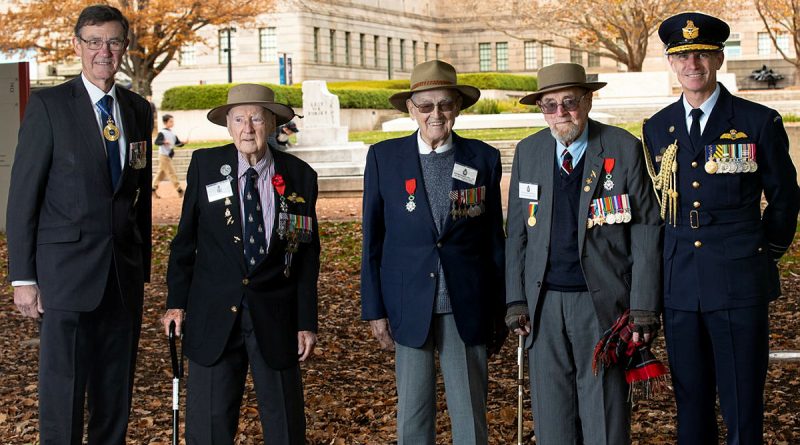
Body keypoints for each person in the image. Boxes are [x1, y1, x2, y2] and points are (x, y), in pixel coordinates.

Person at [643, 12, 800, 444]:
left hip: (738, 280)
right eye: (682, 56)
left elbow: (785, 198)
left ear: (719, 59)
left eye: (703, 54)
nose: (692, 64)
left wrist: (762, 252)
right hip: (679, 283)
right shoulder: (657, 128)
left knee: (741, 401)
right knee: (690, 402)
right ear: (671, 63)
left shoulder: (756, 121)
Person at [5, 5, 152, 444]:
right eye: (93, 41)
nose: (103, 51)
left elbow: (137, 196)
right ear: (77, 46)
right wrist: (23, 278)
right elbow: (23, 197)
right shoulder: (50, 106)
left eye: (113, 41)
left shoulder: (138, 109)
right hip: (64, 277)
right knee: (64, 390)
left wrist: (141, 266)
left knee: (114, 393)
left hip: (122, 278)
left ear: (124, 47)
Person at [504, 62, 662, 444]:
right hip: (543, 306)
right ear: (542, 109)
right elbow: (516, 235)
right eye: (550, 105)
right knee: (551, 417)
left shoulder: (622, 149)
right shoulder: (529, 152)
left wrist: (643, 306)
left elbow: (646, 230)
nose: (561, 113)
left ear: (587, 101)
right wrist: (515, 300)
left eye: (570, 102)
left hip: (602, 305)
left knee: (604, 417)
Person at [162, 83, 319, 445]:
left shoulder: (300, 177)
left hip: (276, 317)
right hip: (213, 315)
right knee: (208, 429)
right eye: (239, 119)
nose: (248, 128)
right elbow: (185, 243)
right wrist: (176, 303)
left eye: (256, 119)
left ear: (273, 124)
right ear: (229, 125)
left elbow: (308, 257)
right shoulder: (205, 166)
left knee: (285, 427)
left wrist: (306, 322)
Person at [361, 59, 507, 444]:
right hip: (408, 303)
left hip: (467, 304)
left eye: (444, 104)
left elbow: (494, 240)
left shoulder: (484, 159)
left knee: (470, 416)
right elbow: (372, 241)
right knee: (413, 416)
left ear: (457, 107)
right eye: (425, 106)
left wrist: (501, 307)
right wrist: (374, 310)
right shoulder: (384, 159)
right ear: (411, 109)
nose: (435, 114)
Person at [152, 113, 187, 198]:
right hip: (164, 156)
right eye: (170, 121)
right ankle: (179, 189)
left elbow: (177, 144)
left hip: (168, 156)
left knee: (161, 173)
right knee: (171, 172)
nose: (172, 123)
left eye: (172, 121)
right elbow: (156, 142)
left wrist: (183, 143)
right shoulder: (162, 133)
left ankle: (152, 188)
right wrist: (164, 142)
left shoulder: (173, 134)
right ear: (166, 122)